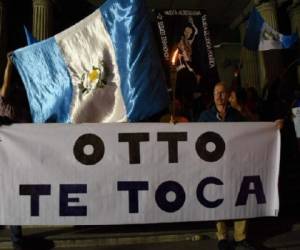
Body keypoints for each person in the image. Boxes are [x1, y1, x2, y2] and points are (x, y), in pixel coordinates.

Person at [198, 82, 254, 250]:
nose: (219, 96)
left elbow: (252, 131)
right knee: (218, 199)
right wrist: (175, 124)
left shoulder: (236, 116)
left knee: (240, 198)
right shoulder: (205, 117)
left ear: (228, 96)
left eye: (222, 93)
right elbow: (192, 134)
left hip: (235, 165)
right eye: (216, 93)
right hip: (214, 167)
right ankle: (222, 237)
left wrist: (272, 127)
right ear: (213, 96)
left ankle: (240, 237)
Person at [0, 53, 31, 250]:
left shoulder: (23, 110)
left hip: (17, 162)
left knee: (13, 197)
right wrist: (9, 64)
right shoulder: (2, 103)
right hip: (5, 159)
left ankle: (17, 239)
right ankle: (16, 238)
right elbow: (5, 84)